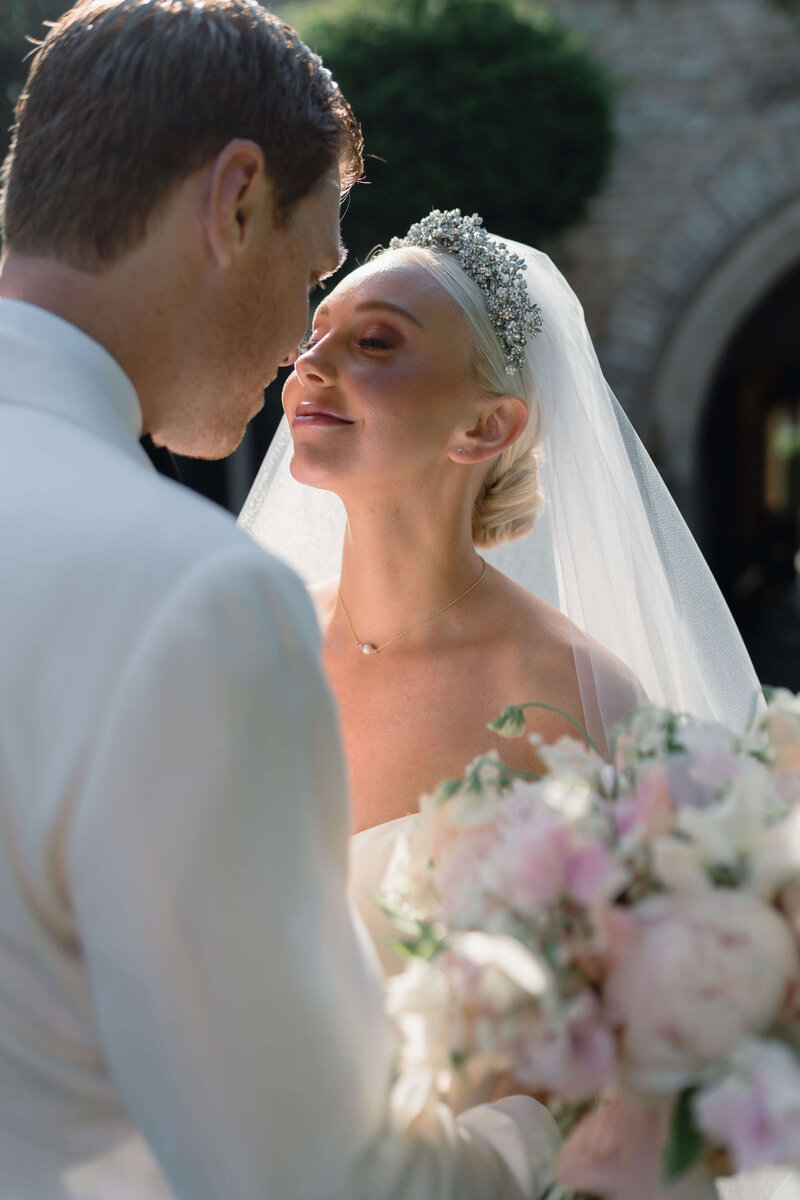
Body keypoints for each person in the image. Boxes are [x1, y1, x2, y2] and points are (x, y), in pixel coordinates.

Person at [0, 8, 558, 1199]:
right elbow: (322, 1178)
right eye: (312, 273)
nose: (295, 357)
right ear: (235, 201)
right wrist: (537, 1137)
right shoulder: (190, 599)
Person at [240, 210, 799, 1200]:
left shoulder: (573, 697)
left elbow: (626, 1069)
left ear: (485, 426)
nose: (310, 365)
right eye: (316, 333)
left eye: (374, 343)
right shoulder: (249, 650)